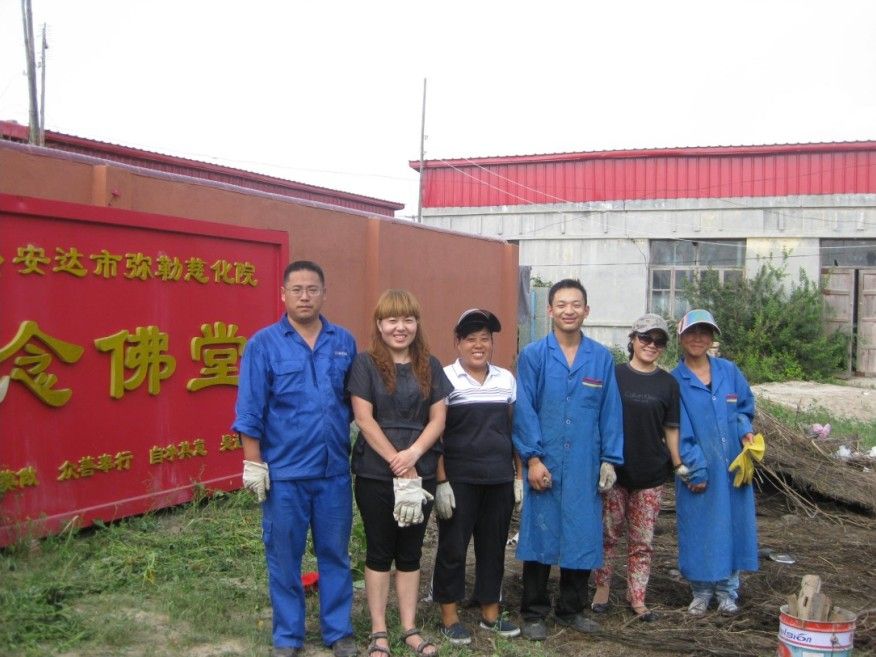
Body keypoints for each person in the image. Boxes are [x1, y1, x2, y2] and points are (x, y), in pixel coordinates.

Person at [233, 260, 358, 657]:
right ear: (283, 294)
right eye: (297, 290)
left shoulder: (344, 341)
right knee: (284, 557)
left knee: (335, 554)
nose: (305, 297)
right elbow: (250, 408)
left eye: (312, 289)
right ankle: (288, 635)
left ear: (324, 293)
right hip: (284, 474)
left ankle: (338, 631)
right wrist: (253, 462)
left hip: (333, 472)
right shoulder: (263, 344)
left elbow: (353, 405)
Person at [512, 279, 624, 641]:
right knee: (540, 533)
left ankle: (571, 608)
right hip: (546, 460)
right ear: (550, 310)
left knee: (582, 531)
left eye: (576, 304)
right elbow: (524, 409)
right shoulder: (533, 356)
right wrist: (532, 459)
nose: (568, 311)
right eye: (561, 304)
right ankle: (534, 611)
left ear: (586, 310)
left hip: (584, 464)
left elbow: (610, 411)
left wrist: (609, 459)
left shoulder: (600, 358)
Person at [348, 289, 453, 657]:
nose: (400, 327)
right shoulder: (365, 364)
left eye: (408, 319)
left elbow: (438, 419)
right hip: (375, 472)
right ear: (380, 324)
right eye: (392, 320)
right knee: (379, 550)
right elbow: (364, 418)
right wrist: (396, 460)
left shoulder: (431, 365)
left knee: (410, 551)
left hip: (419, 472)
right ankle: (378, 630)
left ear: (416, 324)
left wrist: (413, 456)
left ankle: (409, 627)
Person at [432, 309, 522, 645]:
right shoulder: (445, 378)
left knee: (493, 547)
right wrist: (441, 481)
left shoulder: (505, 379)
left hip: (498, 479)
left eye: (485, 338)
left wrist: (518, 476)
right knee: (453, 547)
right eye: (471, 339)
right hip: (459, 481)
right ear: (458, 342)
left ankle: (490, 612)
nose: (478, 345)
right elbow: (436, 434)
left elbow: (514, 429)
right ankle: (449, 615)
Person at [590, 314, 681, 622]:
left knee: (642, 542)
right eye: (645, 338)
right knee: (607, 535)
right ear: (632, 340)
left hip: (651, 476)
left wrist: (678, 463)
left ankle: (637, 597)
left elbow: (671, 427)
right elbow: (599, 418)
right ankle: (602, 588)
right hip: (615, 474)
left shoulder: (668, 383)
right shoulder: (614, 375)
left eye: (659, 341)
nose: (651, 345)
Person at [672, 309, 758, 616]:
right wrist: (695, 468)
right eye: (692, 332)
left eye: (704, 332)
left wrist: (745, 432)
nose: (698, 338)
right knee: (699, 526)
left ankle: (727, 590)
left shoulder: (729, 371)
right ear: (681, 337)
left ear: (712, 338)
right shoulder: (675, 381)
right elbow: (677, 429)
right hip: (698, 466)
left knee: (732, 526)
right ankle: (701, 591)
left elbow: (744, 408)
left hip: (733, 467)